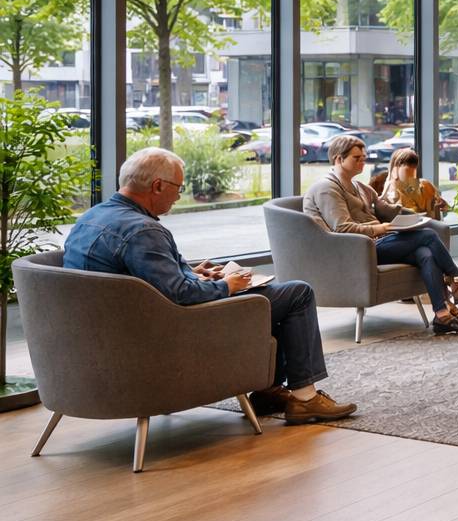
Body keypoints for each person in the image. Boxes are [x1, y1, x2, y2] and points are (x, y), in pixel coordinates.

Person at [63, 147, 357, 424]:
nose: (178, 197)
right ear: (157, 186)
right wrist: (227, 286)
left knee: (271, 302)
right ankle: (305, 398)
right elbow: (182, 294)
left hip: (111, 336)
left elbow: (134, 279)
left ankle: (268, 390)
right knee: (297, 293)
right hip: (167, 335)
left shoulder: (91, 217)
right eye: (178, 188)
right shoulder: (143, 230)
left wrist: (190, 271)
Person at [304, 135, 458, 335]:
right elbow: (342, 228)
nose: (363, 162)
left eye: (363, 157)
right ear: (338, 159)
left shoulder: (360, 187)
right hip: (354, 250)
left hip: (375, 244)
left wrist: (415, 218)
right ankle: (456, 282)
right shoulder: (327, 188)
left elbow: (388, 209)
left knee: (425, 254)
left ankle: (441, 315)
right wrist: (381, 228)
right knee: (428, 236)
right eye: (356, 158)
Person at [373, 147, 448, 219]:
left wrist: (441, 206)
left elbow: (443, 209)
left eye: (414, 167)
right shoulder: (387, 191)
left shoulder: (425, 185)